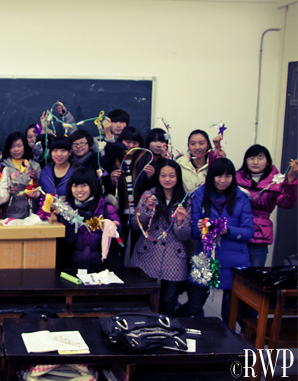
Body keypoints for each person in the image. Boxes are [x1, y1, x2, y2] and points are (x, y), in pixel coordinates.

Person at [176, 158, 254, 326]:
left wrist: (227, 231)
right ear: (211, 176)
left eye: (228, 176)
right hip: (205, 257)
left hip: (235, 260)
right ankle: (171, 324)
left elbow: (248, 232)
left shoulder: (242, 198)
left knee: (230, 312)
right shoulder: (198, 196)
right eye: (218, 176)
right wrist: (199, 228)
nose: (223, 180)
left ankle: (231, 340)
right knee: (194, 305)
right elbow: (194, 234)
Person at [129, 160, 192, 316]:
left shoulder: (185, 199)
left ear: (178, 177)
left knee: (169, 298)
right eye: (163, 175)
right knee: (143, 296)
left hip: (173, 255)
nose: (167, 179)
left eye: (172, 175)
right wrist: (147, 210)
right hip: (148, 252)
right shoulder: (148, 195)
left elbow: (185, 235)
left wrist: (180, 222)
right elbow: (135, 225)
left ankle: (165, 326)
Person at [236, 145, 298, 267]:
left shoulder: (276, 181)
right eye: (251, 158)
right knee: (232, 275)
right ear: (246, 161)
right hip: (236, 232)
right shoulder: (235, 178)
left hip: (259, 236)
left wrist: (291, 178)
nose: (255, 162)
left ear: (267, 161)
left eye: (260, 158)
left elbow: (287, 203)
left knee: (255, 275)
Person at [59, 168, 123, 270]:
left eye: (84, 185)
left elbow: (120, 242)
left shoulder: (107, 209)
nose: (79, 190)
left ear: (93, 186)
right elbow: (65, 241)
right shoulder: (65, 210)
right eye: (75, 185)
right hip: (72, 269)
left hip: (101, 270)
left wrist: (114, 230)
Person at [102, 126, 152, 253]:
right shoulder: (113, 158)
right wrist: (112, 181)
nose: (131, 146)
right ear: (121, 141)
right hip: (119, 211)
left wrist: (151, 176)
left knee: (138, 247)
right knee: (119, 245)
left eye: (135, 142)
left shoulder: (145, 158)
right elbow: (103, 183)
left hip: (140, 211)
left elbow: (151, 187)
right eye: (127, 142)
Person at [2, 132, 41, 219]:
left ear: (25, 146)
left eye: (19, 146)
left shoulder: (35, 166)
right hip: (9, 213)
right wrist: (7, 191)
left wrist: (35, 179)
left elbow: (40, 191)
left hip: (29, 213)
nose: (16, 149)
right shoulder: (2, 166)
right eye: (12, 146)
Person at [176, 129, 224, 194]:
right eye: (193, 144)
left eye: (201, 143)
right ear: (188, 145)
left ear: (208, 144)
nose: (197, 147)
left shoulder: (214, 163)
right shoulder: (179, 163)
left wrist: (221, 158)